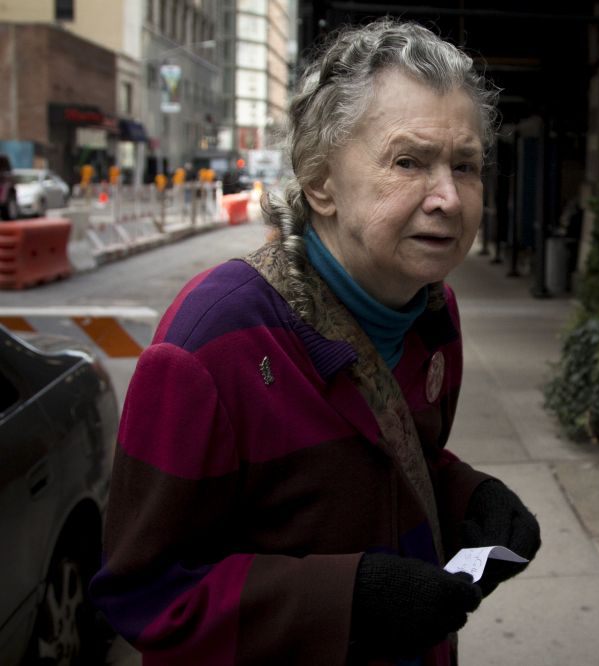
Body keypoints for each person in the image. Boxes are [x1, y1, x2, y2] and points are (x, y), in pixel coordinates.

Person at [90, 19, 541, 666]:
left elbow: (393, 460)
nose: (448, 197)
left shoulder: (434, 315)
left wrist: (468, 497)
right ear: (320, 180)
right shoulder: (209, 345)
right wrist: (345, 601)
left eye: (464, 166)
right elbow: (142, 592)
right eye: (408, 161)